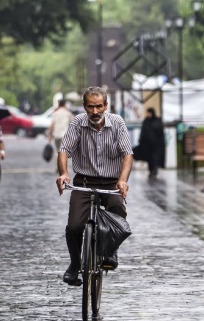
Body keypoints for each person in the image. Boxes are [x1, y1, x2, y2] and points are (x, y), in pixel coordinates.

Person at [56, 86, 133, 286]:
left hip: (111, 181)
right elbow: (64, 150)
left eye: (99, 106)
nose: (95, 111)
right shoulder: (77, 123)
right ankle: (74, 265)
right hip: (85, 181)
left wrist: (122, 180)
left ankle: (111, 252)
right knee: (74, 227)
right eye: (91, 107)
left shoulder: (117, 123)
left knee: (117, 211)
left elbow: (127, 154)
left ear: (106, 106)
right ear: (84, 107)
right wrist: (64, 173)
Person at [134, 107, 165, 178]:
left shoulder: (157, 121)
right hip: (147, 145)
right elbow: (143, 132)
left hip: (156, 145)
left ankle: (154, 170)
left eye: (148, 113)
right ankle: (151, 171)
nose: (147, 114)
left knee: (155, 158)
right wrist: (140, 140)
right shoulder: (146, 121)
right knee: (149, 158)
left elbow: (160, 133)